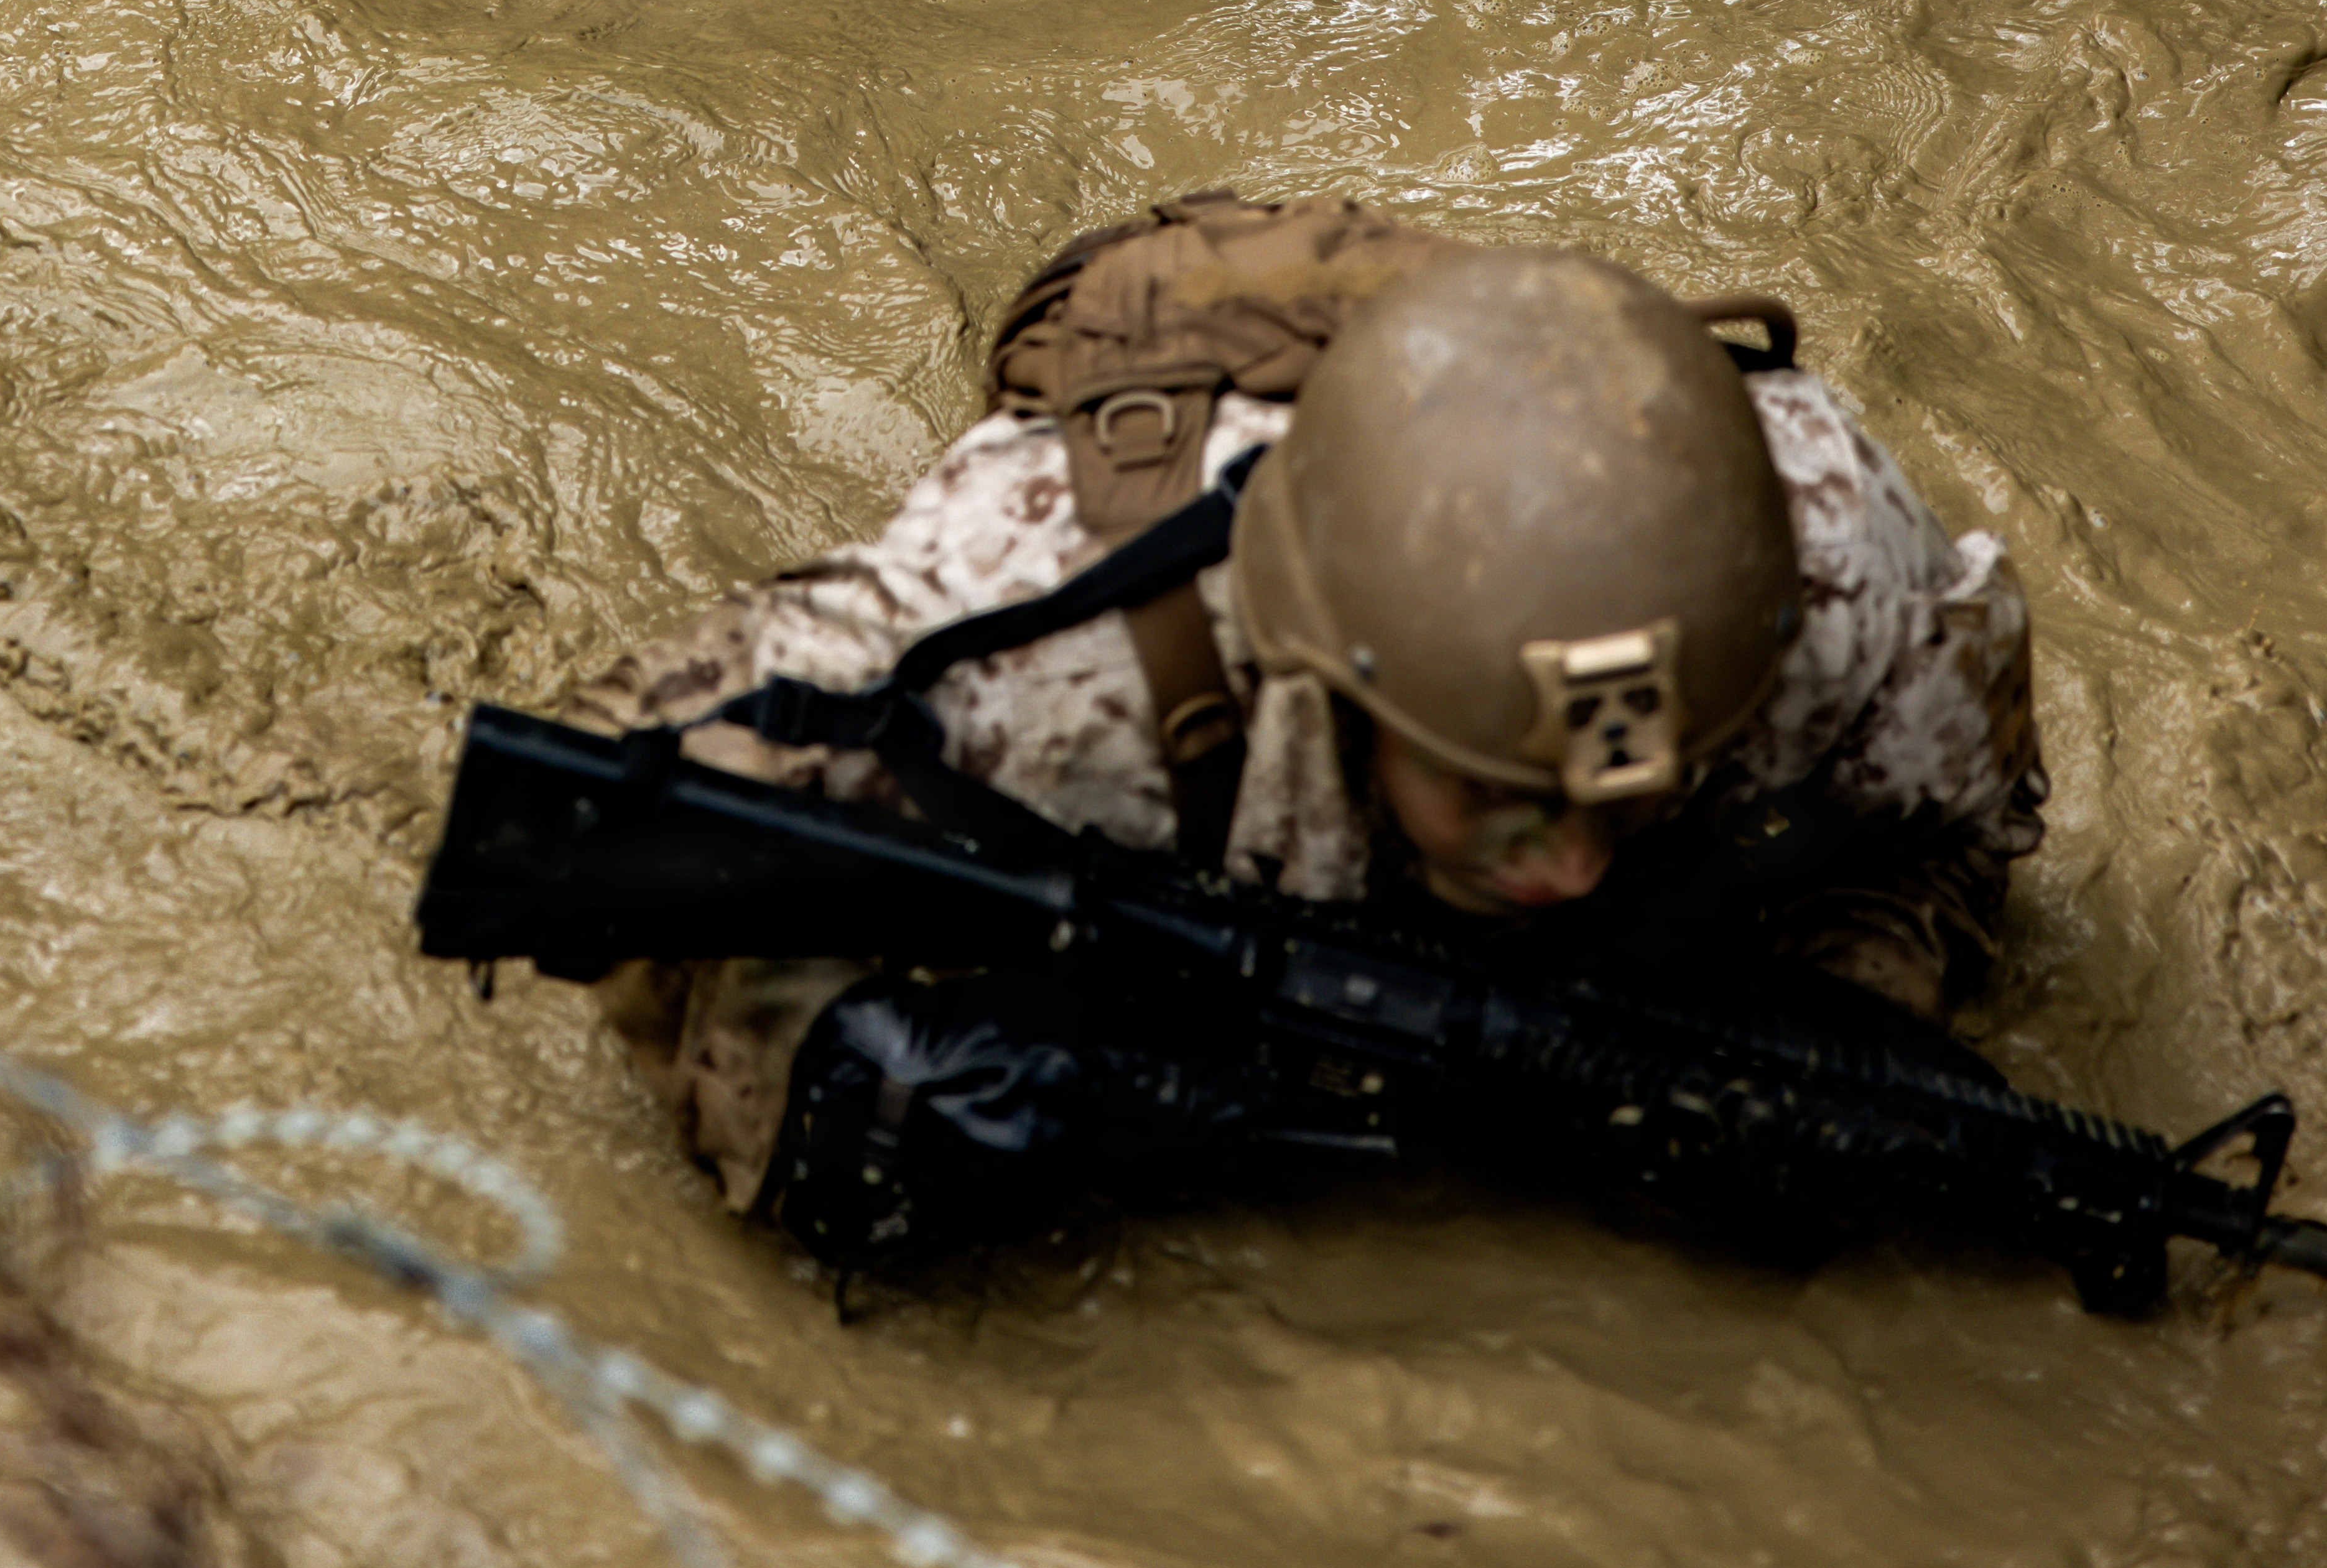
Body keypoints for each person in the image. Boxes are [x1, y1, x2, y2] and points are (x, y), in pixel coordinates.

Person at [574, 193, 2046, 1225]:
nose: (1565, 869)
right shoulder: (1039, 657)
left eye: (1625, 800)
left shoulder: (1834, 585)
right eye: (1496, 793)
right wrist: (840, 1091)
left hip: (1529, 426)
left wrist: (1826, 1027)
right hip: (1177, 388)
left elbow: (1945, 844)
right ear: (1341, 687)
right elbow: (627, 777)